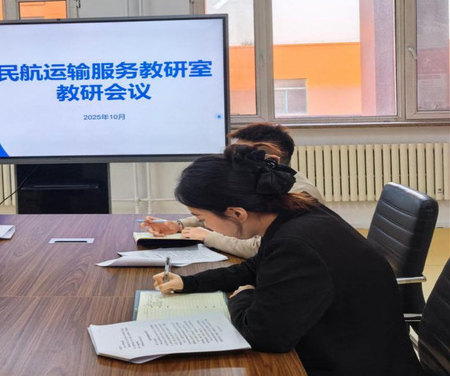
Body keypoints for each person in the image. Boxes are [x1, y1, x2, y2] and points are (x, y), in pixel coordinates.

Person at [151, 145, 421, 376]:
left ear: (237, 213)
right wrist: (190, 283)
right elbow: (256, 267)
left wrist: (242, 296)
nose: (205, 225)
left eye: (202, 218)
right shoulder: (297, 212)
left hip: (350, 364)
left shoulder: (295, 244)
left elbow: (263, 335)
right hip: (351, 347)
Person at [142, 122, 323, 258]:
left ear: (268, 157)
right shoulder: (264, 184)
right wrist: (179, 225)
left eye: (241, 155)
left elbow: (259, 247)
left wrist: (208, 237)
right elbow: (224, 212)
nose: (233, 162)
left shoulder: (300, 193)